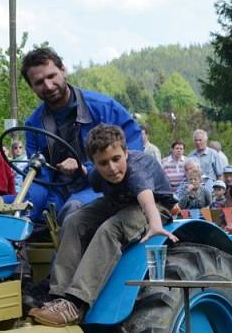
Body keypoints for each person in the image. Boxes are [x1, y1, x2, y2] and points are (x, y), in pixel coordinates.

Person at [28, 124, 176, 326]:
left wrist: (156, 224)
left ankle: (76, 302)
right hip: (119, 202)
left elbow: (145, 197)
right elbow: (88, 175)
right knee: (74, 220)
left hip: (155, 207)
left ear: (125, 152)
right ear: (94, 163)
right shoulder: (97, 175)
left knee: (110, 229)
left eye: (116, 159)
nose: (112, 168)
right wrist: (78, 168)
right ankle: (58, 296)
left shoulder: (136, 168)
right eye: (104, 163)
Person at [21, 47, 142, 223]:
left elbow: (133, 153)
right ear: (32, 87)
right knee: (12, 210)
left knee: (73, 211)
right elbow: (39, 174)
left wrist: (85, 168)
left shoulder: (104, 109)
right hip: (59, 191)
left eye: (51, 76)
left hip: (103, 186)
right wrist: (26, 203)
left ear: (63, 70)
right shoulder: (33, 125)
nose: (48, 86)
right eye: (39, 82)